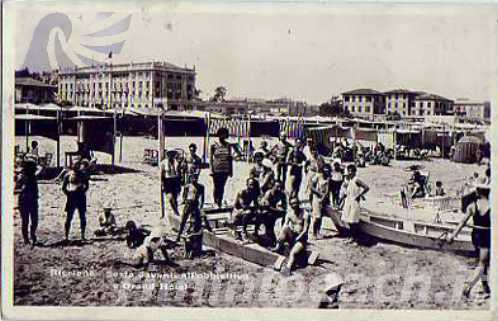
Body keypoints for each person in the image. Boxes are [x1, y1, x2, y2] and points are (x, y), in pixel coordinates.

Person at [446, 184, 490, 298]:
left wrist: (453, 235)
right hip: (486, 235)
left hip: (476, 235)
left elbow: (462, 222)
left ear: (478, 192)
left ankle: (486, 287)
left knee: (483, 262)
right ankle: (468, 286)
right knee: (483, 262)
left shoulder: (472, 205)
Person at [272, 197, 310, 275]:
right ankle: (278, 246)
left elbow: (305, 230)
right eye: (292, 204)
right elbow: (285, 225)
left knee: (292, 253)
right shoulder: (289, 213)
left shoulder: (305, 214)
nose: (294, 205)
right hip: (292, 236)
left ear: (299, 203)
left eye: (296, 203)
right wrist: (280, 236)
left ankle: (288, 268)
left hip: (301, 239)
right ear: (290, 205)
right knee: (285, 228)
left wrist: (298, 238)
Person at [210, 127, 240, 208]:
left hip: (225, 169)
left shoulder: (228, 145)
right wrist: (211, 169)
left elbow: (230, 159)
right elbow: (210, 158)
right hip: (216, 168)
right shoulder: (214, 145)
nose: (222, 136)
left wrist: (231, 171)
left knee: (222, 186)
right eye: (221, 135)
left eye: (224, 135)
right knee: (216, 186)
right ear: (218, 135)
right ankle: (215, 201)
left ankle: (220, 201)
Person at [341, 164, 369, 244]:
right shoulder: (349, 180)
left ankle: (355, 238)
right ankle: (350, 237)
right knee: (349, 220)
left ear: (354, 172)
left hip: (354, 202)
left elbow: (367, 187)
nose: (350, 172)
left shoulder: (357, 180)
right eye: (348, 171)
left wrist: (360, 195)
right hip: (348, 201)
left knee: (354, 221)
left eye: (351, 171)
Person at [62, 160, 89, 241]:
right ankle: (66, 236)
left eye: (78, 164)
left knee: (82, 217)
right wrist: (69, 194)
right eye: (75, 164)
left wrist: (82, 191)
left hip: (81, 198)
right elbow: (63, 188)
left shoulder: (83, 175)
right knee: (69, 218)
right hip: (71, 198)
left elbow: (87, 186)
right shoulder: (68, 175)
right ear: (72, 165)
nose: (76, 166)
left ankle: (83, 236)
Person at [15, 159, 39, 245]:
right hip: (24, 201)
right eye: (33, 167)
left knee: (35, 220)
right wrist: (22, 189)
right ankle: (26, 239)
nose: (34, 169)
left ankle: (32, 235)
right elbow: (15, 189)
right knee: (25, 221)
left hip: (33, 201)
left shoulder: (33, 177)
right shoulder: (21, 177)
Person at [176, 174, 205, 243]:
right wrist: (184, 202)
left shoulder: (201, 187)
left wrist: (201, 206)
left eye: (195, 178)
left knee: (197, 220)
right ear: (190, 179)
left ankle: (194, 236)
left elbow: (202, 198)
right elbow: (184, 196)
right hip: (188, 204)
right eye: (192, 178)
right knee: (183, 220)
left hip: (195, 204)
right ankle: (178, 236)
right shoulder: (187, 186)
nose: (194, 180)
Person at [230, 178, 261, 242]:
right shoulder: (242, 192)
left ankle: (256, 232)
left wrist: (257, 210)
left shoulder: (253, 192)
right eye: (250, 185)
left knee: (259, 213)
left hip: (246, 209)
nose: (252, 186)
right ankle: (243, 231)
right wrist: (251, 209)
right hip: (237, 211)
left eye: (253, 185)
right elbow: (242, 205)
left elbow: (256, 204)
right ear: (247, 185)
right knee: (248, 212)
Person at [259, 180, 287, 246]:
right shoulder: (268, 193)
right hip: (264, 210)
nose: (279, 189)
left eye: (280, 187)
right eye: (277, 187)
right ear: (273, 186)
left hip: (273, 210)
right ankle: (269, 237)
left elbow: (284, 205)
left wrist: (282, 209)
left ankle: (283, 232)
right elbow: (267, 207)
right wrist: (278, 210)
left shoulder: (281, 194)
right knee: (268, 217)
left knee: (285, 215)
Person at [310, 163, 331, 240]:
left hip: (323, 199)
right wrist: (319, 194)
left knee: (321, 216)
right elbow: (311, 186)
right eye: (325, 169)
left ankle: (318, 232)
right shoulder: (318, 176)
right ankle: (314, 233)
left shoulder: (328, 178)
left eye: (328, 169)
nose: (326, 170)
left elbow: (327, 190)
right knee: (317, 217)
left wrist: (324, 197)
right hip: (316, 198)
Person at [161, 150, 182, 219]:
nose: (171, 156)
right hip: (167, 181)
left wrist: (179, 184)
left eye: (172, 154)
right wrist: (162, 184)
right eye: (170, 154)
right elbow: (162, 175)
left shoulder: (176, 162)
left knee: (175, 198)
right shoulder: (163, 163)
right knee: (170, 198)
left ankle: (176, 212)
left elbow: (179, 174)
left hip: (175, 181)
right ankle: (176, 212)